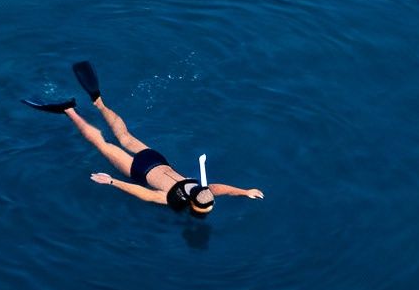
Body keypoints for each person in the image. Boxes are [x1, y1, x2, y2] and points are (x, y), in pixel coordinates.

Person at [27, 61, 263, 218]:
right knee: (102, 144)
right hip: (139, 170)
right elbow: (143, 193)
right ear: (193, 205)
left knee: (124, 135)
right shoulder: (172, 200)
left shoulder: (203, 189)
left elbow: (220, 188)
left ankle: (98, 102)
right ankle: (69, 110)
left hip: (157, 158)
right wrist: (112, 182)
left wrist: (245, 191)